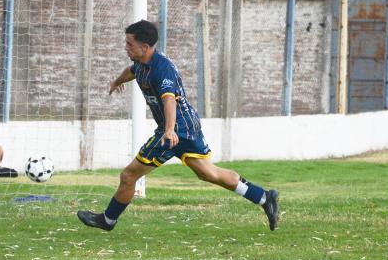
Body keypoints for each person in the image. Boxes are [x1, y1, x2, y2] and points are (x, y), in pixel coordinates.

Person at [77, 20, 280, 232]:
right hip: (185, 125)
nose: (125, 47)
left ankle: (107, 220)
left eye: (129, 44)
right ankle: (264, 198)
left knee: (129, 175)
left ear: (144, 47)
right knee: (208, 173)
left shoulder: (161, 70)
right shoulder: (141, 62)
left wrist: (169, 130)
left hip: (176, 128)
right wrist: (117, 81)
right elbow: (131, 71)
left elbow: (169, 100)